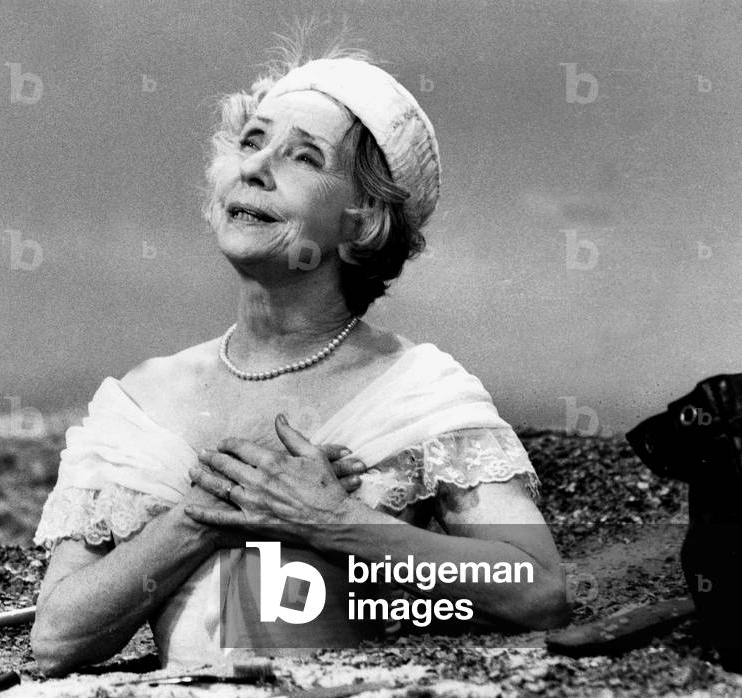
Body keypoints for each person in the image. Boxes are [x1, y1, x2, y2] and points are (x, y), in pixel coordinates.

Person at [30, 47, 571, 676]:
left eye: (303, 157)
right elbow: (56, 641)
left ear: (364, 220)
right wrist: (202, 519)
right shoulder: (138, 400)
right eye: (252, 142)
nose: (255, 168)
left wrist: (334, 521)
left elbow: (538, 591)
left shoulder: (417, 392)